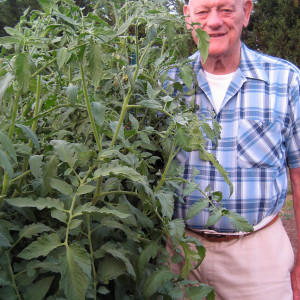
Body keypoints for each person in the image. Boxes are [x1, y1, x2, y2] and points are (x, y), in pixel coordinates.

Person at [166, 0, 300, 299]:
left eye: (226, 9)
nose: (214, 22)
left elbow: (299, 176)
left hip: (258, 258)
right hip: (179, 255)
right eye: (202, 12)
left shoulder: (285, 80)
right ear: (188, 18)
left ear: (247, 12)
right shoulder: (167, 83)